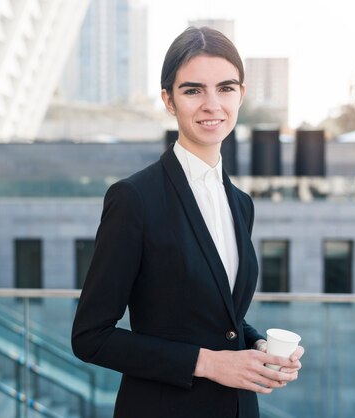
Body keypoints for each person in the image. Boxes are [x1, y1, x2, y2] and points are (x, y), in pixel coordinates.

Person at [72, 27, 304, 418]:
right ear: (169, 100)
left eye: (226, 88)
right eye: (194, 90)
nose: (212, 104)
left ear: (241, 95)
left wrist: (259, 347)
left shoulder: (241, 204)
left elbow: (219, 314)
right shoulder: (134, 199)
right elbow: (91, 338)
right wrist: (210, 363)